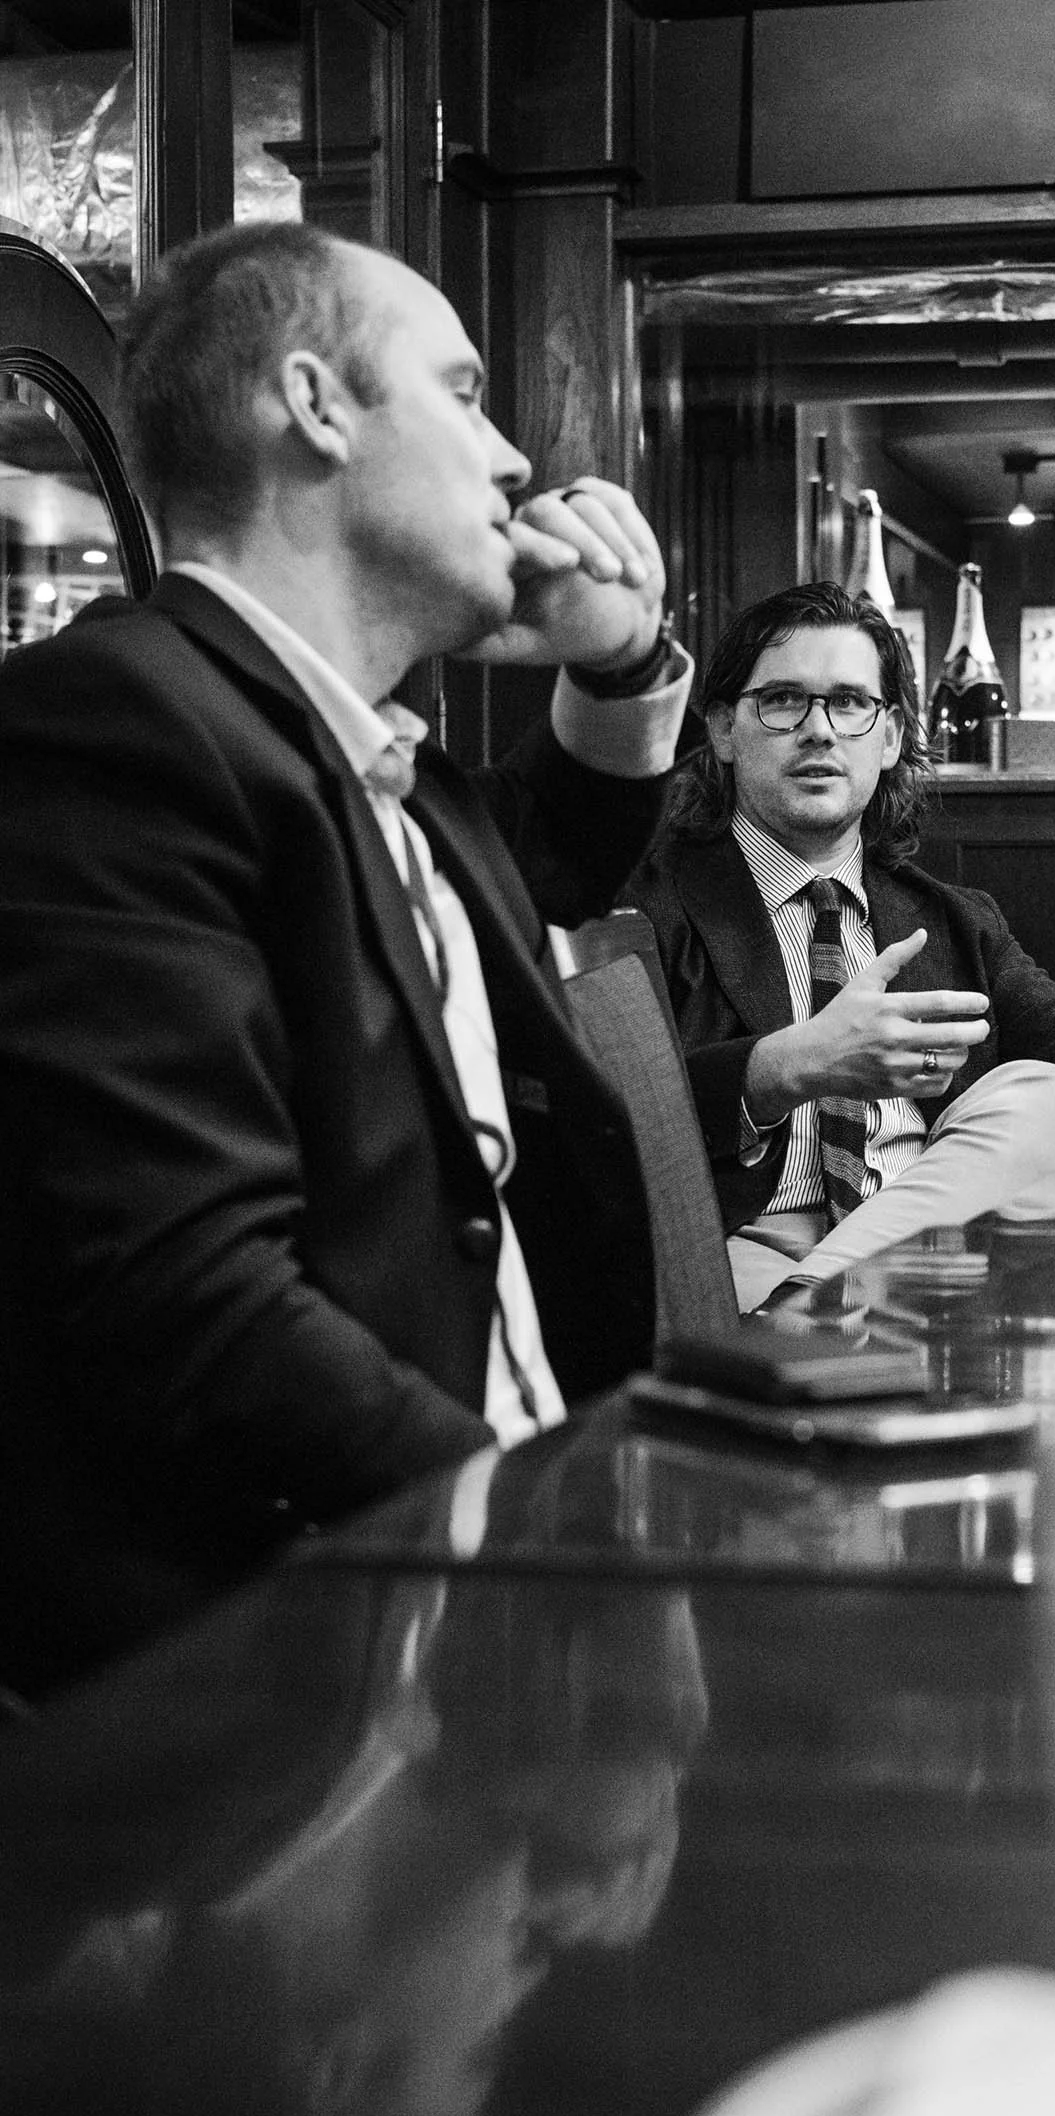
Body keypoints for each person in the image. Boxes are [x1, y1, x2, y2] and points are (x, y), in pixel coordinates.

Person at [0, 219, 692, 1697]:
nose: (515, 462)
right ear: (314, 407)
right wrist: (543, 1529)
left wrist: (618, 660)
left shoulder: (379, 761)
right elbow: (193, 1302)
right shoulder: (110, 725)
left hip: (472, 1584)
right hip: (288, 1663)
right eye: (461, 392)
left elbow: (527, 883)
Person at [625, 582, 1055, 1313]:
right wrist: (782, 1067)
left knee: (1049, 1095)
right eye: (782, 700)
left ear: (889, 735)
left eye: (849, 703)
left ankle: (818, 1298)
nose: (819, 730)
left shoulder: (952, 916)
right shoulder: (648, 905)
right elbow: (609, 1119)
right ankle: (821, 1305)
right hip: (735, 1253)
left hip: (932, 1251)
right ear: (721, 729)